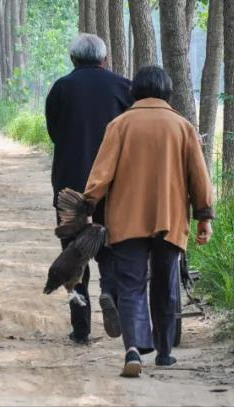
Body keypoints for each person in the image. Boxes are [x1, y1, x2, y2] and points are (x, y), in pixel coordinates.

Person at [83, 65, 215, 377]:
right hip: (169, 218)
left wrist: (88, 205)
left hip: (127, 219)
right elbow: (200, 177)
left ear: (135, 91)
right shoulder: (183, 127)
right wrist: (204, 216)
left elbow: (101, 174)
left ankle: (133, 348)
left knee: (131, 285)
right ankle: (165, 352)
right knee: (166, 284)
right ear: (167, 92)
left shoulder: (119, 125)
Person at [44, 33, 133, 345]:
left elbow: (54, 132)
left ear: (72, 59)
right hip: (113, 185)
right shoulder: (124, 87)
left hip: (70, 186)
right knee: (109, 247)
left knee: (73, 255)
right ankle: (110, 293)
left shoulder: (61, 89)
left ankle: (81, 327)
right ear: (105, 59)